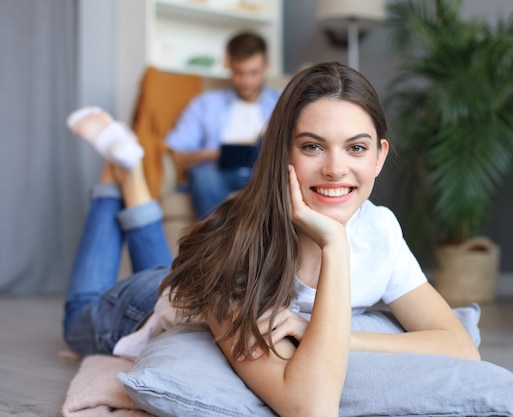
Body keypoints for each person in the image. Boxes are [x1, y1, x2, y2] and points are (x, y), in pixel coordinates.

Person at [63, 62, 479, 417]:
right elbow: (311, 407)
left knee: (158, 263)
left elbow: (458, 345)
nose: (337, 169)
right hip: (138, 308)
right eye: (313, 146)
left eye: (356, 148)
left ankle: (130, 174)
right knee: (77, 315)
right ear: (282, 153)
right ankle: (115, 174)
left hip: (177, 278)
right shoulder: (237, 254)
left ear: (379, 157)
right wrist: (334, 245)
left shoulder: (380, 230)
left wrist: (327, 332)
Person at [165, 32, 281, 218]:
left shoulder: (282, 103)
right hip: (218, 175)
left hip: (263, 175)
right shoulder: (206, 104)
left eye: (254, 72)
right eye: (239, 73)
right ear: (229, 65)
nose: (246, 81)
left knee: (279, 177)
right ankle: (217, 242)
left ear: (266, 66)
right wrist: (213, 154)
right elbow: (177, 156)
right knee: (204, 176)